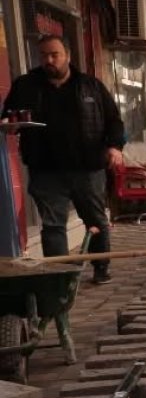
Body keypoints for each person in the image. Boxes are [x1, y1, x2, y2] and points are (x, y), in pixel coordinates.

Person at [1, 35, 121, 283]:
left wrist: (115, 147)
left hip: (88, 168)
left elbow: (113, 120)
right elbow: (9, 116)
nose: (49, 60)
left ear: (68, 55)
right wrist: (9, 125)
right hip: (46, 169)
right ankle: (60, 278)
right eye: (44, 55)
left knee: (95, 219)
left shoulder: (90, 86)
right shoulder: (26, 85)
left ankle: (101, 268)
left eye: (54, 54)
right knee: (53, 225)